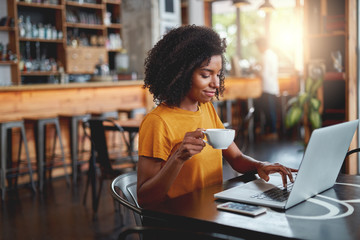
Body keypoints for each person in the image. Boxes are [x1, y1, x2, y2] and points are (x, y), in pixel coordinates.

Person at [137, 25, 296, 207]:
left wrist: (260, 165)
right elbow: (145, 199)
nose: (216, 83)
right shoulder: (157, 122)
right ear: (180, 73)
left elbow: (236, 158)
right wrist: (178, 158)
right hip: (179, 222)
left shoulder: (207, 109)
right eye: (206, 75)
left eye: (218, 74)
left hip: (213, 211)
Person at [254, 37, 279, 139]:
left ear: (262, 45)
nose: (258, 49)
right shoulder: (272, 54)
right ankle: (269, 131)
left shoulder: (265, 56)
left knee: (269, 111)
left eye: (258, 46)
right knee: (270, 110)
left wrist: (256, 72)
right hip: (272, 86)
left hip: (267, 87)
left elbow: (264, 73)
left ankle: (272, 132)